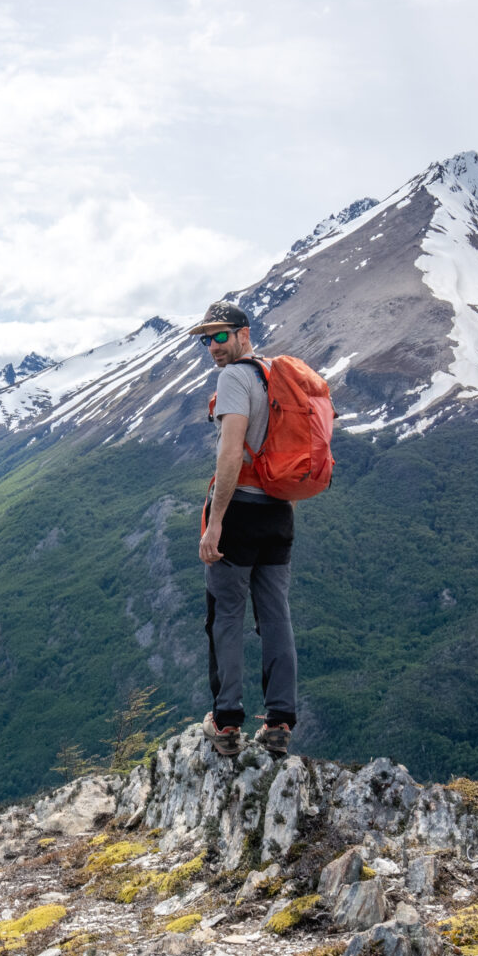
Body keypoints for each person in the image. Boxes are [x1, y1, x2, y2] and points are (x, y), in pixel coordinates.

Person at [190, 300, 297, 759]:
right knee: (275, 616)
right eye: (205, 339)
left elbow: (230, 454)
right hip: (279, 513)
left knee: (226, 616)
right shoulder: (275, 376)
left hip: (241, 512)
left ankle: (227, 721)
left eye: (220, 336)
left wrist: (216, 523)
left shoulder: (233, 378)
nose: (212, 346)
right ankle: (279, 722)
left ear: (243, 334)